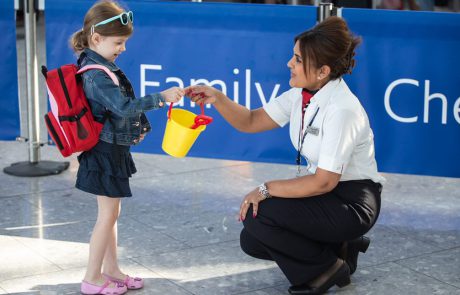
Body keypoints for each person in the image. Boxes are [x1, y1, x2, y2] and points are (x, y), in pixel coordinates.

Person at [186, 16, 385, 295]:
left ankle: (325, 270)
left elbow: (324, 182)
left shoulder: (342, 109)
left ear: (322, 71)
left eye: (298, 59)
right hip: (327, 194)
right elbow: (251, 121)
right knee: (252, 240)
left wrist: (266, 189)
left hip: (352, 203)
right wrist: (217, 98)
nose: (289, 64)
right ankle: (339, 247)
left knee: (260, 214)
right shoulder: (301, 95)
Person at [70, 1, 183, 294]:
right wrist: (161, 98)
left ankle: (111, 270)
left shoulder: (100, 66)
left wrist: (139, 128)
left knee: (111, 214)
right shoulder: (96, 74)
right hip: (104, 152)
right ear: (97, 39)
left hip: (109, 148)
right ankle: (91, 278)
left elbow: (115, 111)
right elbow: (122, 106)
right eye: (118, 42)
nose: (123, 48)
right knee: (107, 216)